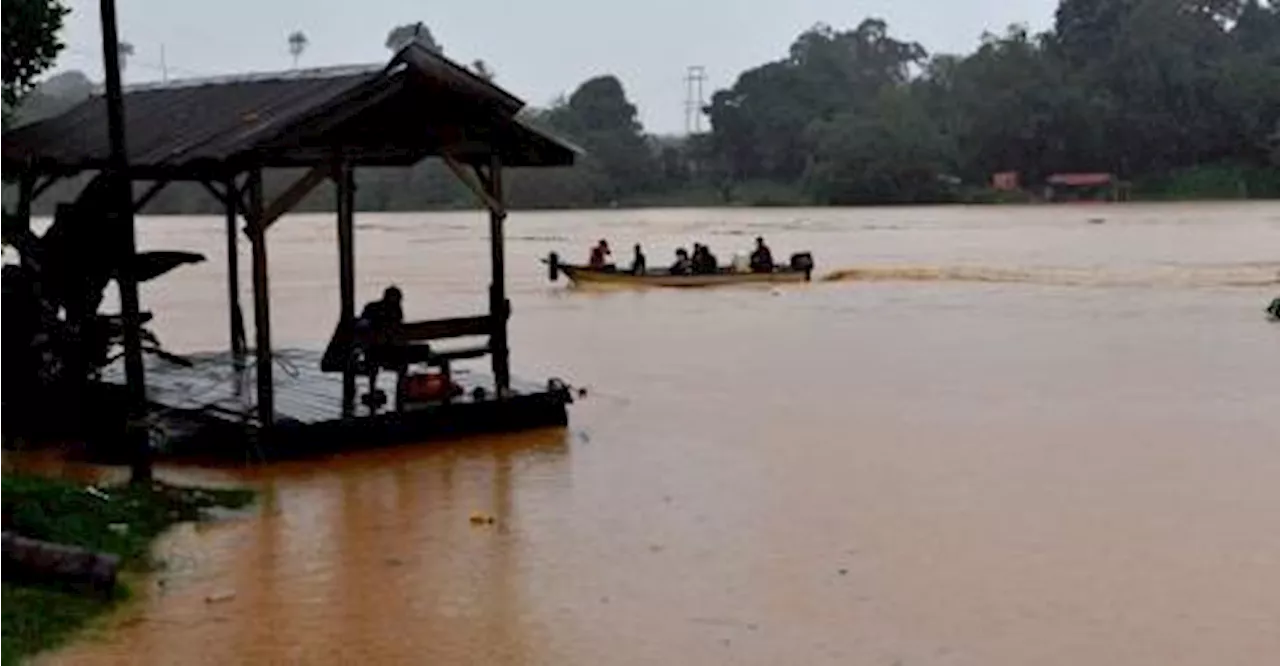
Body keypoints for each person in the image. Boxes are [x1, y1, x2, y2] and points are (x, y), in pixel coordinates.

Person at [355, 286, 405, 404]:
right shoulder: (397, 311)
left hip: (375, 352)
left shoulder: (371, 307)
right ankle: (400, 394)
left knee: (373, 361)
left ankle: (372, 390)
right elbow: (398, 331)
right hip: (391, 352)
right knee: (401, 363)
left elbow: (362, 326)